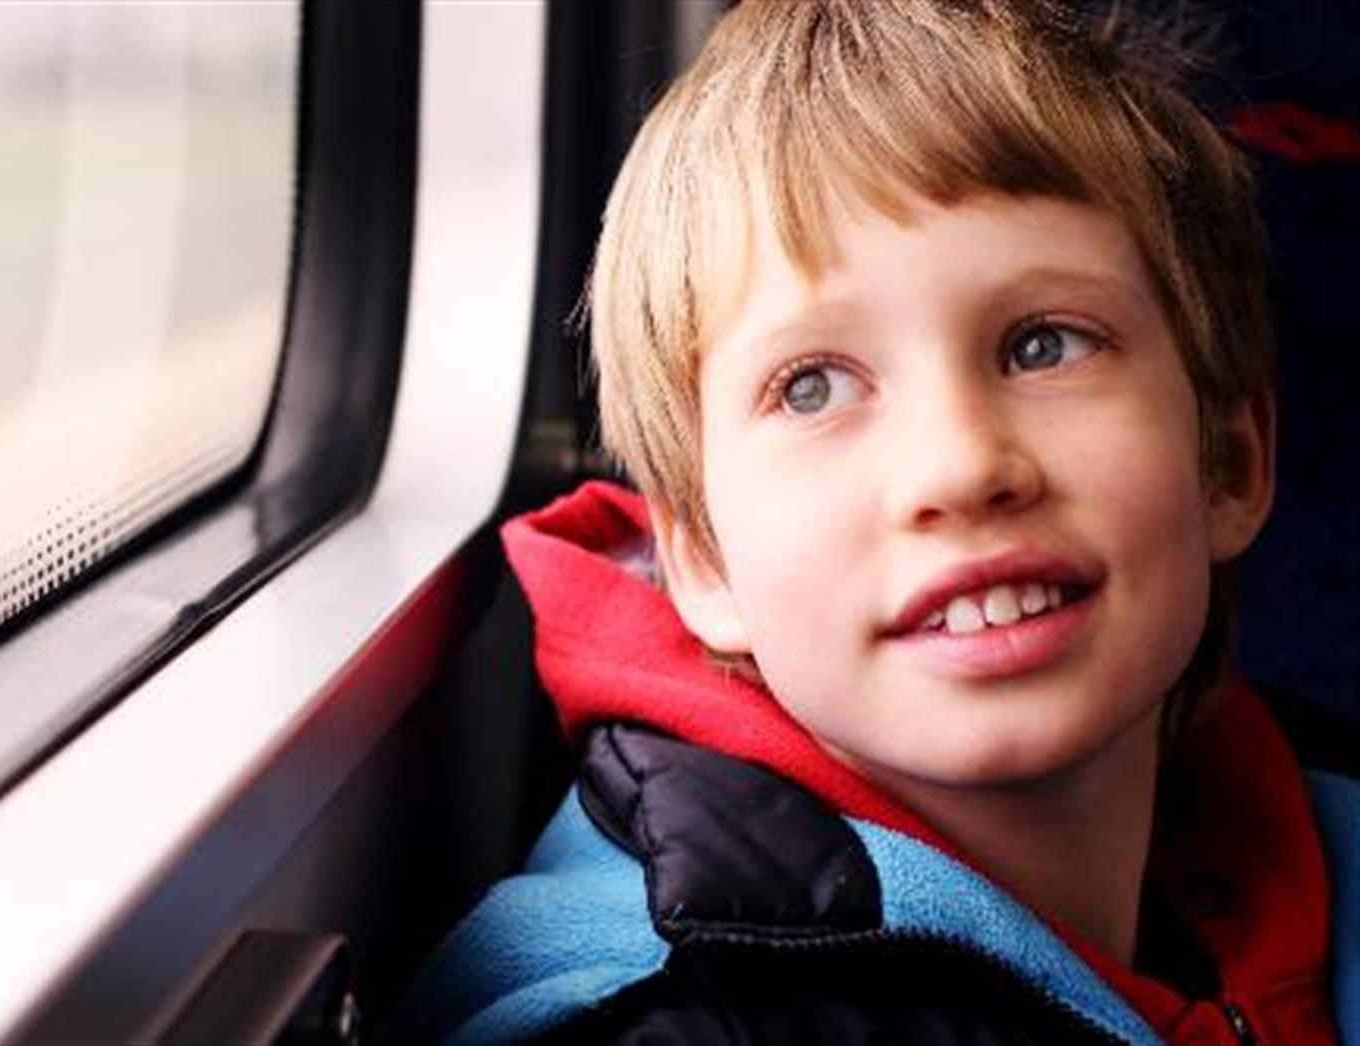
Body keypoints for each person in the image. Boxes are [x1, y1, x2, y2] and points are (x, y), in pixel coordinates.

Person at [396, 1, 1359, 1042]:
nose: (959, 465)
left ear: (1228, 460)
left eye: (1044, 345)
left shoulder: (1318, 840)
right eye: (811, 387)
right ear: (702, 558)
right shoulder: (676, 1019)